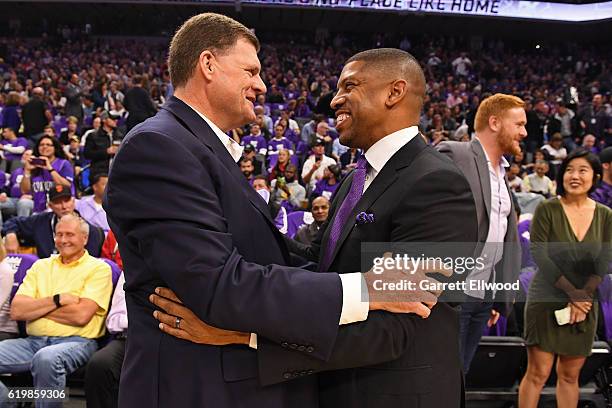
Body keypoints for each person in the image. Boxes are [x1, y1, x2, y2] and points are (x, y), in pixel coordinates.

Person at [105, 15, 438, 408]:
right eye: (251, 70)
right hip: (197, 387)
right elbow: (219, 284)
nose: (261, 85)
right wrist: (365, 288)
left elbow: (269, 256)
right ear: (208, 65)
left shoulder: (200, 148)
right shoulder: (160, 147)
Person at [437, 93, 525, 374]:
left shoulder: (503, 175)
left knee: (460, 376)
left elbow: (500, 236)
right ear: (495, 122)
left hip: (483, 296)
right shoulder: (456, 154)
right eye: (519, 124)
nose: (524, 132)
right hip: (453, 293)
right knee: (442, 377)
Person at [518, 150, 611, 408]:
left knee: (570, 377)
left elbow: (604, 260)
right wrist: (574, 294)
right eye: (570, 170)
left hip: (585, 303)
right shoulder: (548, 208)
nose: (575, 176)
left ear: (596, 176)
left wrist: (584, 296)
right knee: (537, 374)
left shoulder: (605, 215)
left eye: (583, 170)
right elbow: (539, 254)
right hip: (547, 298)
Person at [0, 214, 113, 407]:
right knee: (43, 356)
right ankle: (10, 401)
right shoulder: (40, 266)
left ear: (84, 238)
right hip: (32, 342)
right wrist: (57, 300)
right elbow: (18, 310)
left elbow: (81, 316)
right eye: (59, 234)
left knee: (46, 359)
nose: (63, 240)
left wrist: (37, 309)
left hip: (77, 341)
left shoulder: (98, 269)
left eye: (70, 234)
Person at [2, 183, 104, 258]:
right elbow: (13, 222)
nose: (64, 206)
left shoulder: (92, 231)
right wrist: (10, 234)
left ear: (73, 202)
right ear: (50, 206)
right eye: (58, 202)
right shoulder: (40, 221)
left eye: (66, 201)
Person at [85, 272, 127, 408]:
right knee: (100, 364)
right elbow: (114, 320)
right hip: (130, 336)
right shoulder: (131, 267)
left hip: (173, 336)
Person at [20, 135, 74, 213]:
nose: (44, 147)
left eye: (48, 145)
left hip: (61, 209)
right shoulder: (34, 165)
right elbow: (24, 190)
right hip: (39, 210)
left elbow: (67, 185)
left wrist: (50, 169)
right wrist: (27, 171)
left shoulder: (63, 163)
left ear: (55, 148)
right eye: (41, 145)